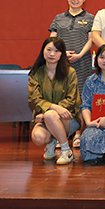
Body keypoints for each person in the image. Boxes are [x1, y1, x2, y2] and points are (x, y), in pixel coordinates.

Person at [49, 0, 93, 149]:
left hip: (83, 63)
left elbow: (92, 39)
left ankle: (78, 134)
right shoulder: (58, 18)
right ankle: (61, 134)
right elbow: (52, 40)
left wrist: (80, 54)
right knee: (61, 96)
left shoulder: (91, 18)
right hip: (61, 63)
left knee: (80, 98)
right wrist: (61, 53)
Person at [28, 37, 81, 165]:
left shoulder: (70, 72)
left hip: (68, 117)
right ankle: (51, 142)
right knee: (39, 137)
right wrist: (53, 108)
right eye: (49, 50)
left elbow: (72, 99)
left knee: (50, 115)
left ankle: (66, 150)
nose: (52, 54)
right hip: (44, 117)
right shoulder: (36, 73)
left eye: (57, 51)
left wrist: (50, 112)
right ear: (43, 51)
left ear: (62, 53)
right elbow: (34, 99)